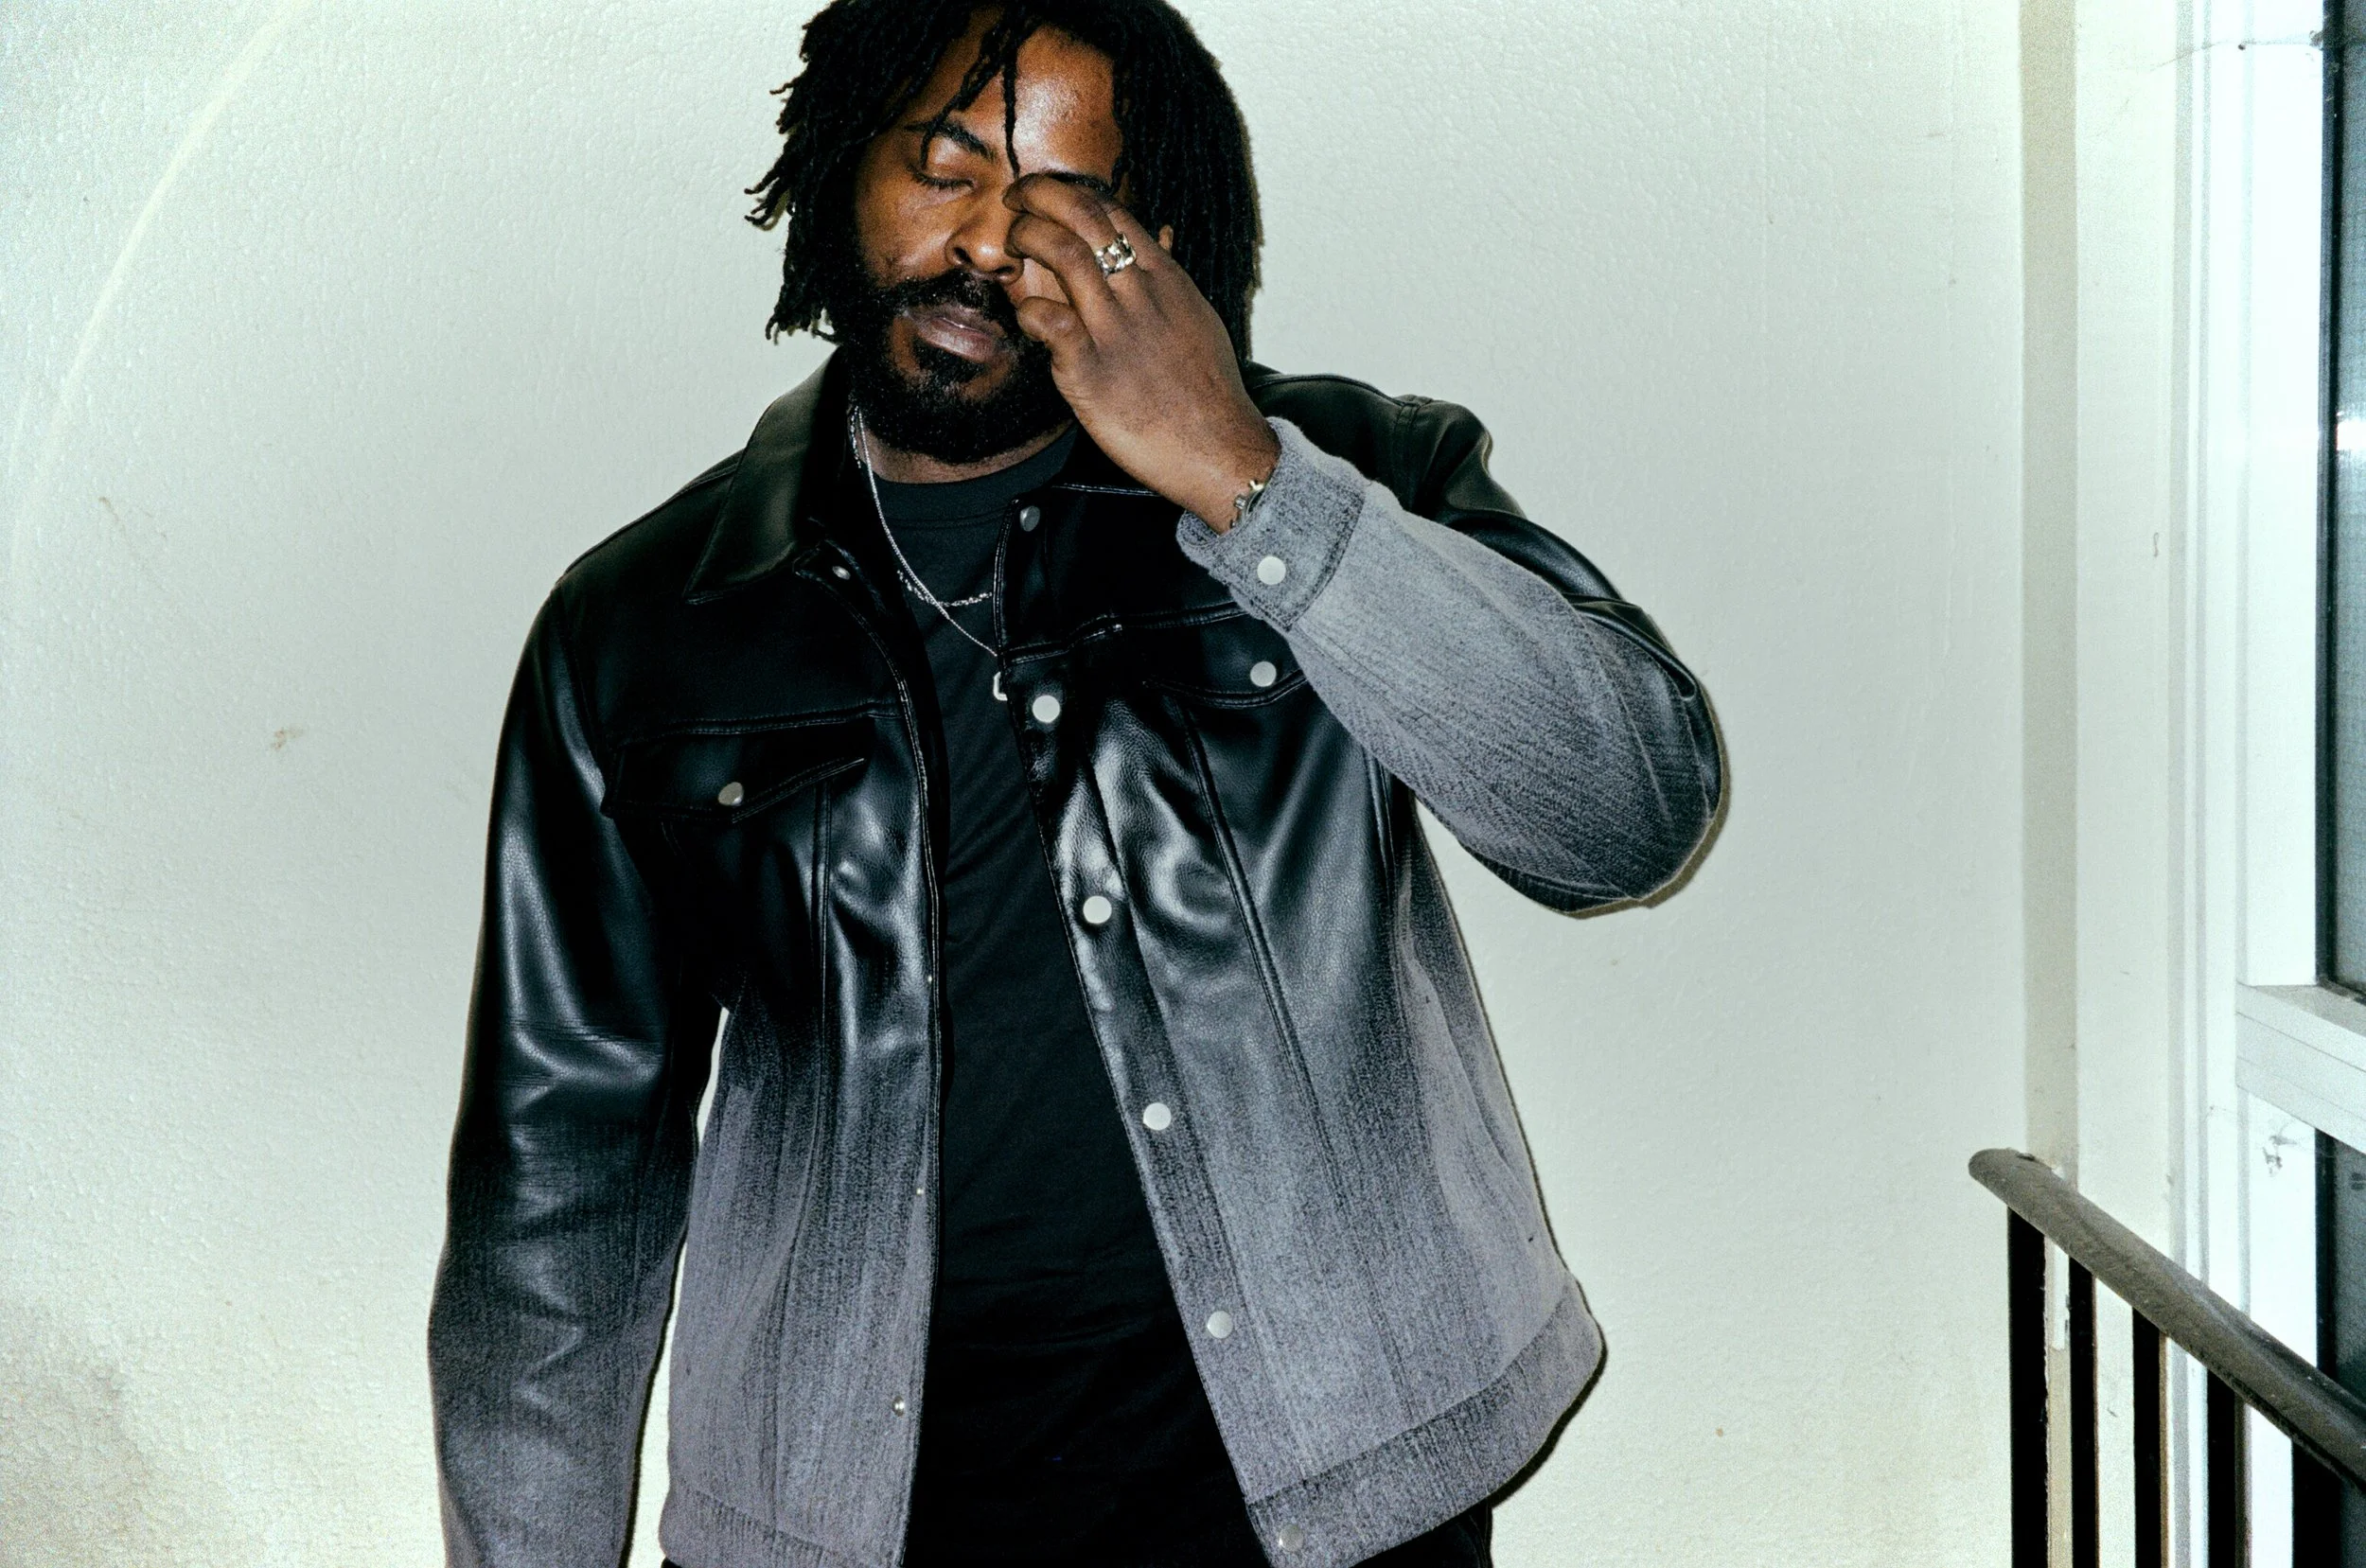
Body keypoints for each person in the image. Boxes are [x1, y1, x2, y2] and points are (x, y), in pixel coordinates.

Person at [426, 3, 1722, 1566]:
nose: (989, 243)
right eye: (945, 167)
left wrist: (1245, 481)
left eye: (1067, 202)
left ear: (1155, 251)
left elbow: (1627, 820)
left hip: (1335, 1489)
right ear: (844, 171)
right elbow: (557, 1178)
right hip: (852, 1519)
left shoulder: (1353, 469)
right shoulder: (645, 625)